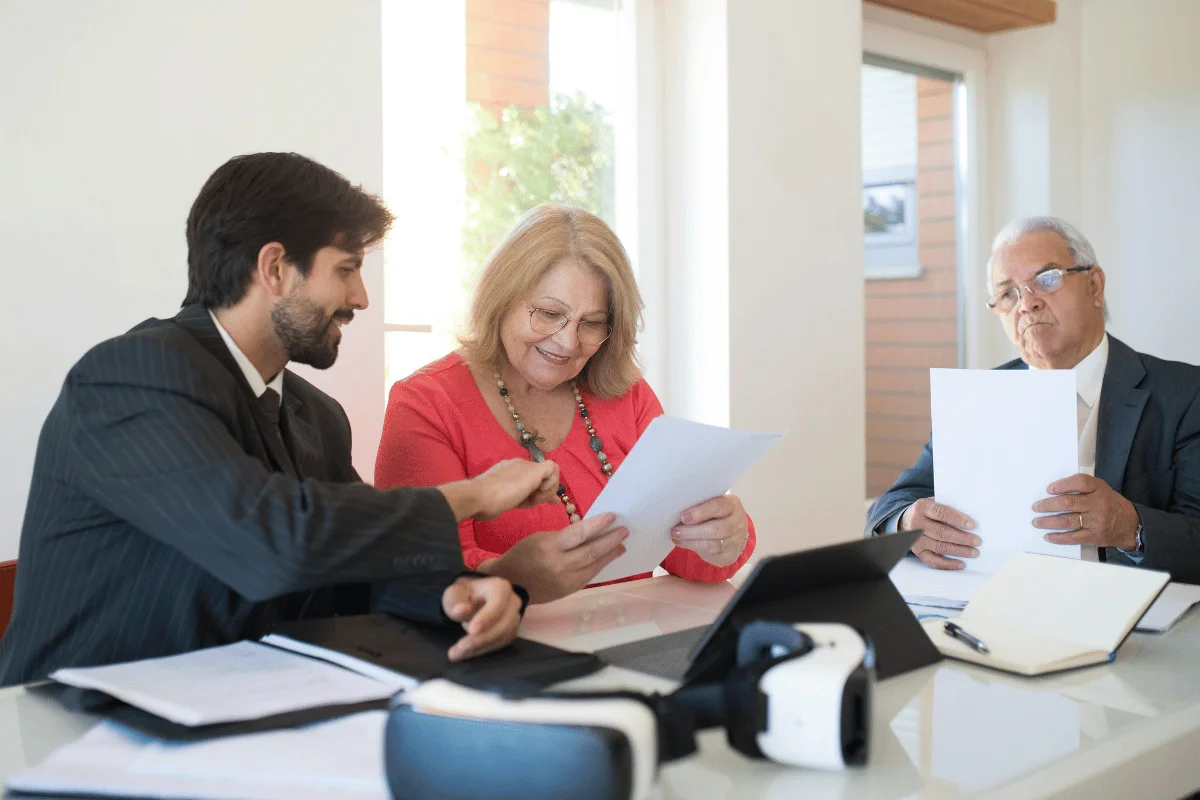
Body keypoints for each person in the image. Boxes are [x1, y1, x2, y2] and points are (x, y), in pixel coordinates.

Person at [0, 153, 561, 686]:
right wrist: (473, 495)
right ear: (274, 269)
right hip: (70, 729)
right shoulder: (129, 378)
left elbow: (355, 567)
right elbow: (272, 540)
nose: (360, 298)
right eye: (345, 269)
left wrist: (457, 595)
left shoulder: (317, 415)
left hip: (239, 721)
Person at [375, 204, 755, 604]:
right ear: (501, 298)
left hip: (625, 640)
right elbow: (417, 574)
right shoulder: (425, 403)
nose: (567, 342)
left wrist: (725, 538)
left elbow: (685, 551)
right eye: (549, 313)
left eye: (591, 323)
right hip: (498, 651)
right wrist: (515, 578)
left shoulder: (629, 397)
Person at [866, 216, 1200, 582]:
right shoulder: (977, 398)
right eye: (1008, 293)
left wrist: (1132, 528)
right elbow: (890, 507)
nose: (1027, 303)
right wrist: (908, 521)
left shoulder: (1183, 393)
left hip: (1132, 616)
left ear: (1094, 285)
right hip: (992, 602)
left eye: (1046, 279)